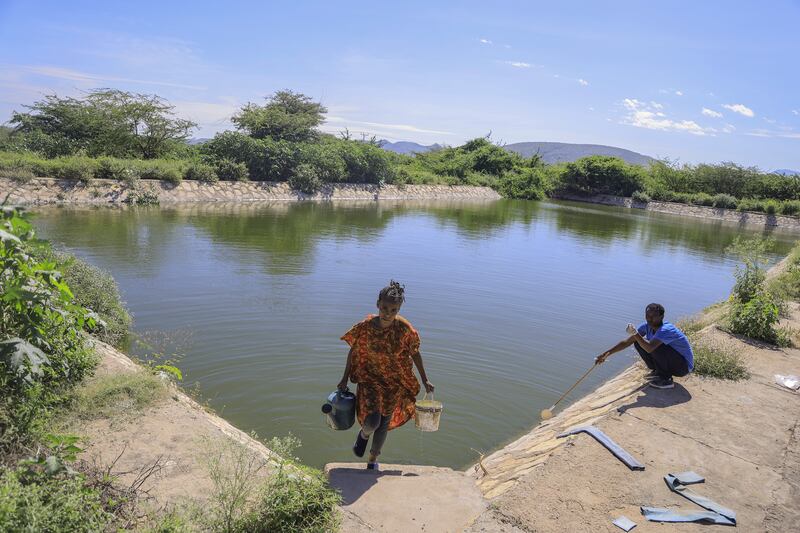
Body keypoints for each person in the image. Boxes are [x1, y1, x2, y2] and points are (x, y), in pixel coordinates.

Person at [338, 280, 434, 470]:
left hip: (394, 381)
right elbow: (354, 351)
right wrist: (344, 378)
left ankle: (372, 460)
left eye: (393, 310)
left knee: (383, 423)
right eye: (384, 308)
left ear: (399, 309)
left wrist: (425, 379)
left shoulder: (404, 329)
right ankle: (363, 435)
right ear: (377, 304)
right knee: (373, 420)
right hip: (370, 378)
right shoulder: (366, 326)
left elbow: (415, 353)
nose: (388, 314)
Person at [595, 303, 693, 389]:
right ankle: (658, 372)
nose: (650, 319)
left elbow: (649, 348)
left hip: (682, 367)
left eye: (653, 316)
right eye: (647, 315)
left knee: (653, 345)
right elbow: (626, 342)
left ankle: (666, 379)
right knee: (638, 342)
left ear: (661, 316)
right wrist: (606, 354)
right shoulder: (646, 326)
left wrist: (635, 333)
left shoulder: (666, 329)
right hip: (673, 363)